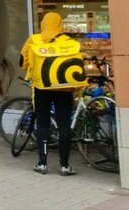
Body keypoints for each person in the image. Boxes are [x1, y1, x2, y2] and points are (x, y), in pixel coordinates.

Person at [21, 12, 85, 176]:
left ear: (43, 24)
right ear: (60, 25)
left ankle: (42, 163)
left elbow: (23, 63)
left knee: (42, 124)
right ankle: (64, 165)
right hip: (65, 89)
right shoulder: (70, 42)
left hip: (42, 88)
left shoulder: (34, 40)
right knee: (64, 125)